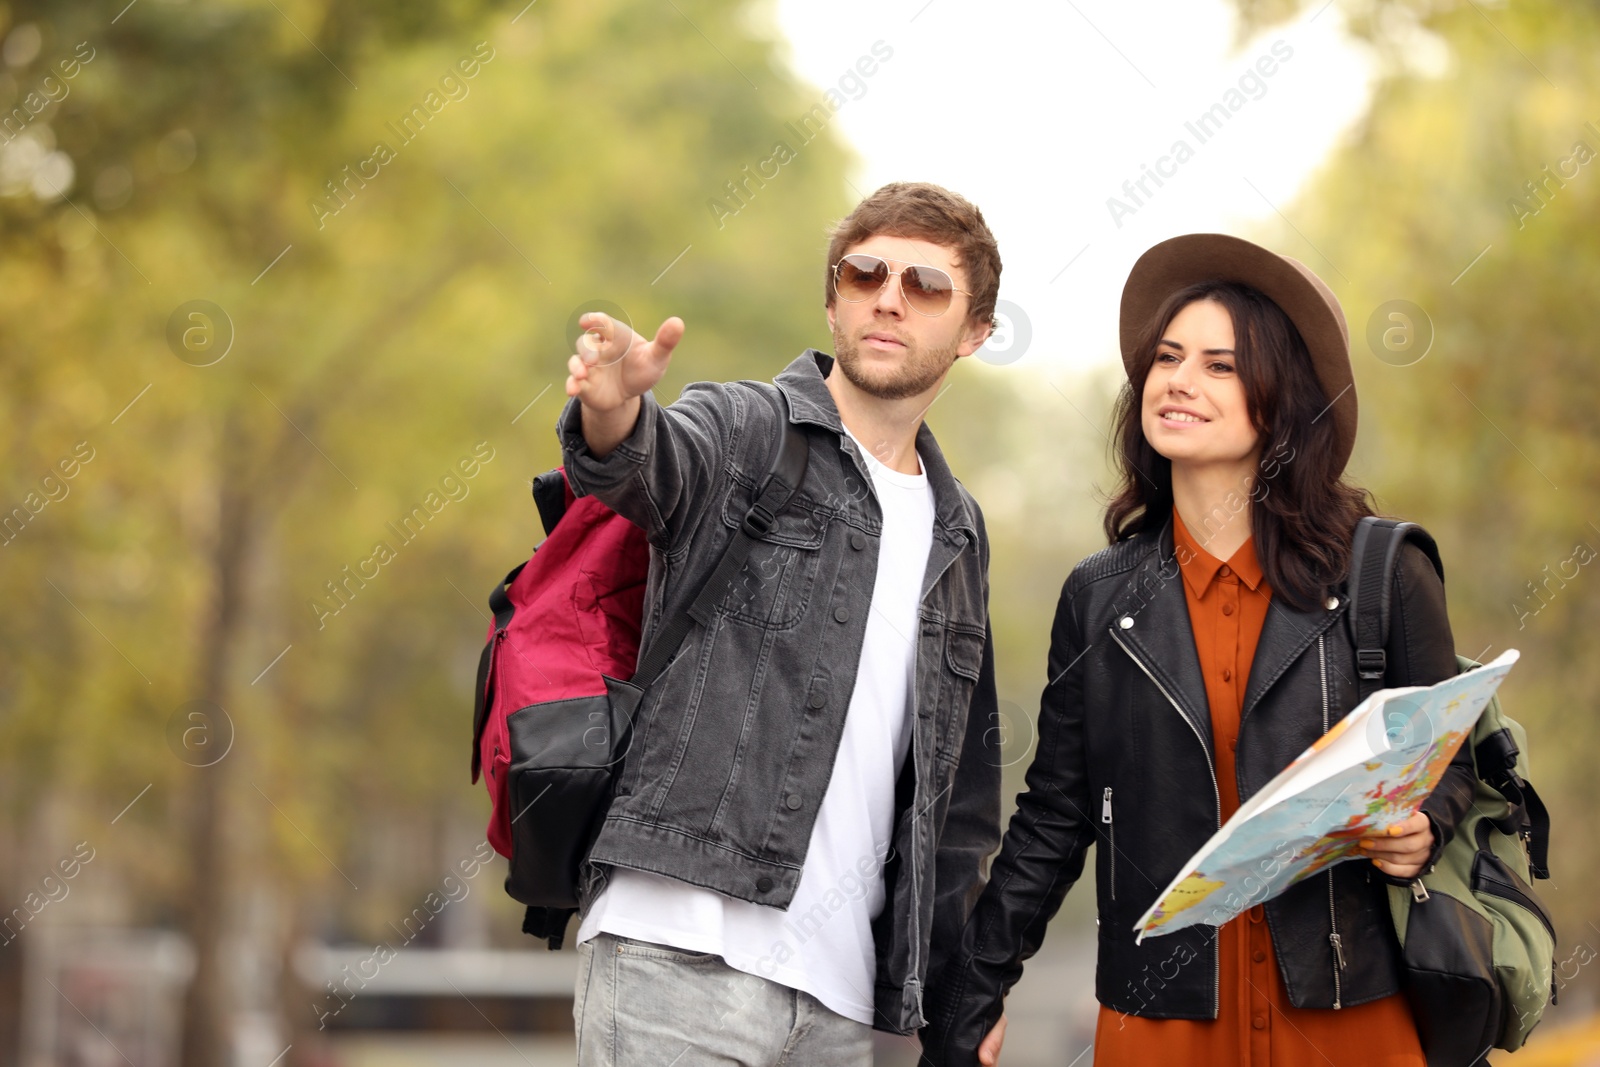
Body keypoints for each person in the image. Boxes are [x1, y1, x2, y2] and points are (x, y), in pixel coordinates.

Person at [921, 234, 1477, 1067]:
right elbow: (1054, 816)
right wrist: (973, 994)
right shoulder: (1099, 595)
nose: (1178, 379)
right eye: (1169, 357)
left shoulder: (1383, 572)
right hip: (1160, 1024)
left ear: (1280, 398)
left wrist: (1421, 825)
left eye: (1219, 365)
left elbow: (1452, 759)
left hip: (1344, 1012)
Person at [557, 181, 1005, 1065]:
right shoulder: (750, 427)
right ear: (832, 297)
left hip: (838, 1006)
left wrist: (959, 986)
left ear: (975, 331)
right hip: (672, 956)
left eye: (925, 286)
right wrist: (611, 411)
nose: (888, 297)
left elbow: (958, 801)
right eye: (865, 272)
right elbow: (651, 463)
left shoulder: (959, 531)